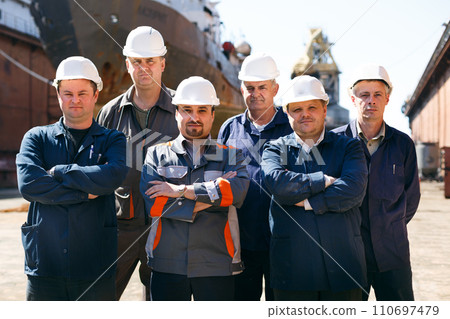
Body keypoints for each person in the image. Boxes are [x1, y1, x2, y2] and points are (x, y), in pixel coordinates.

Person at [16, 56, 128, 301]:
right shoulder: (36, 138)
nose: (75, 100)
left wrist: (59, 172)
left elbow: (114, 176)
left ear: (96, 94)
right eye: (68, 93)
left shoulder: (113, 139)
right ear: (58, 94)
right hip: (45, 267)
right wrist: (84, 192)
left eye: (82, 93)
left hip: (95, 267)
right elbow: (29, 185)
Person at [140, 76, 250, 301]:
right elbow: (156, 204)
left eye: (202, 110)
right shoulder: (156, 154)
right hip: (167, 264)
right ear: (176, 113)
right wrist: (216, 196)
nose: (194, 117)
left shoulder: (232, 155)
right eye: (187, 109)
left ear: (212, 114)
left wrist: (179, 191)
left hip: (217, 264)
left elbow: (236, 193)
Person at [261, 75, 368, 301]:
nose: (305, 114)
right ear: (287, 113)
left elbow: (354, 190)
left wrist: (308, 202)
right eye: (297, 109)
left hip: (343, 269)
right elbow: (277, 183)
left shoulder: (349, 147)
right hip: (292, 272)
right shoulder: (274, 149)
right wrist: (323, 180)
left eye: (312, 107)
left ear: (324, 109)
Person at [96, 26, 179, 300]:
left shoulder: (183, 109)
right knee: (101, 298)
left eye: (150, 61)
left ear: (162, 63)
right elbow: (97, 172)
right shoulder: (110, 113)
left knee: (162, 303)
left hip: (168, 228)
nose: (144, 68)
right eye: (137, 62)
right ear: (127, 64)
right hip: (120, 230)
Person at [333, 64, 420, 301]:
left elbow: (411, 198)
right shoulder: (336, 143)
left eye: (377, 95)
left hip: (393, 255)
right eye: (364, 95)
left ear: (387, 99)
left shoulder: (403, 144)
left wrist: (389, 226)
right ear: (353, 99)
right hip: (347, 255)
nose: (371, 101)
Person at [217, 53, 292, 300]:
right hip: (242, 244)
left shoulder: (291, 127)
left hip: (282, 243)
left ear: (275, 89)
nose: (256, 93)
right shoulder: (229, 129)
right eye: (250, 87)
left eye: (262, 87)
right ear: (241, 89)